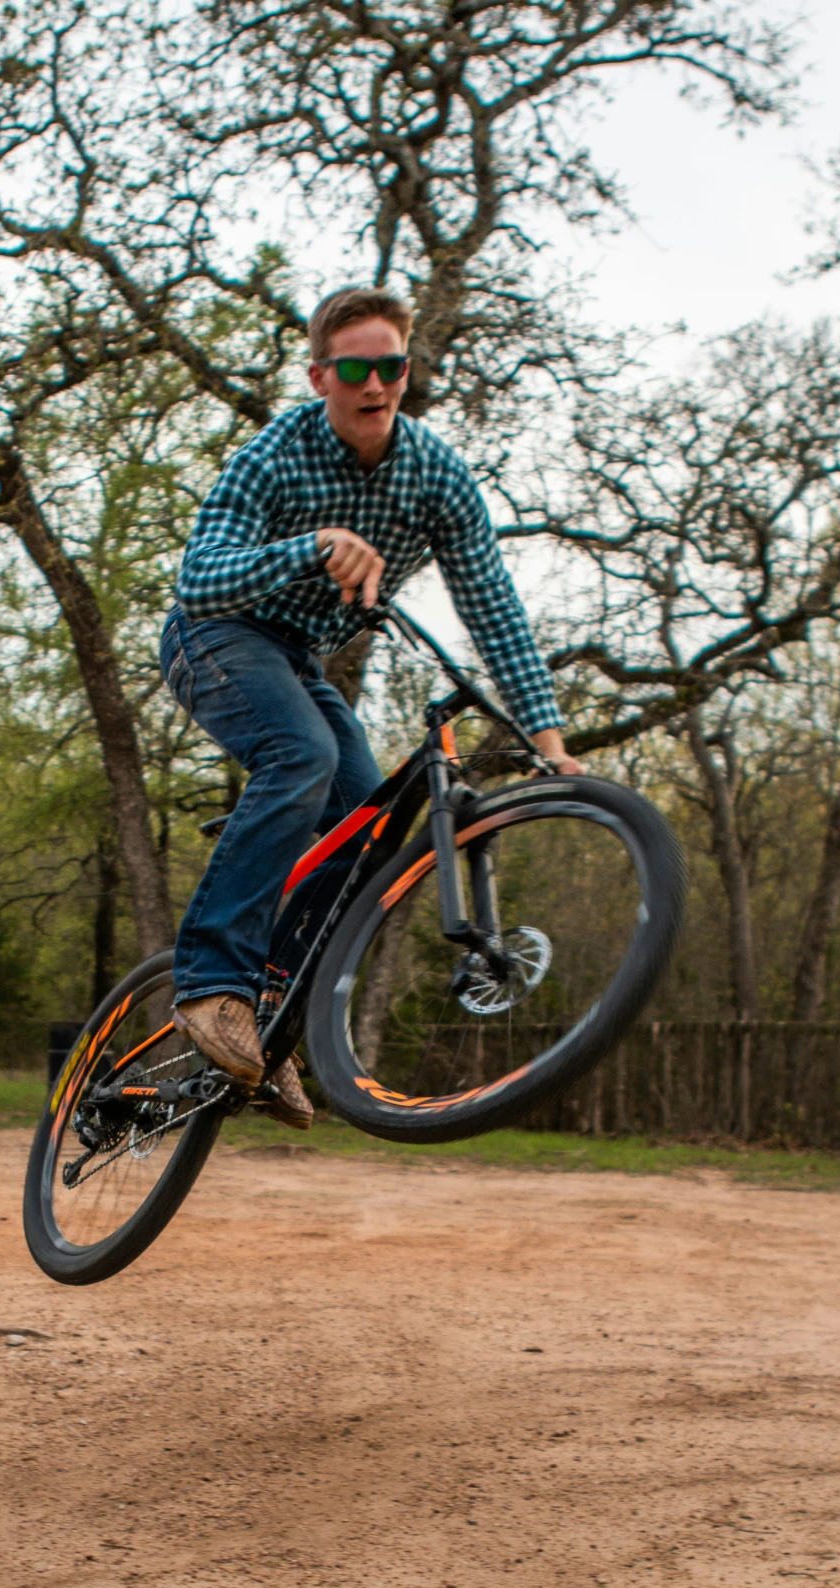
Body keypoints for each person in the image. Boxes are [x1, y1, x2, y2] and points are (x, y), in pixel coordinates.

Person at [161, 284, 580, 1129]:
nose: (375, 384)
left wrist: (549, 742)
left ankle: (267, 1024)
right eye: (355, 367)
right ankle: (213, 985)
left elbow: (493, 608)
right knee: (303, 756)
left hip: (295, 658)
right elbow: (197, 579)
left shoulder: (434, 476)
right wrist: (311, 547)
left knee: (369, 828)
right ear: (320, 376)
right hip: (213, 637)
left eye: (391, 366)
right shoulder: (274, 454)